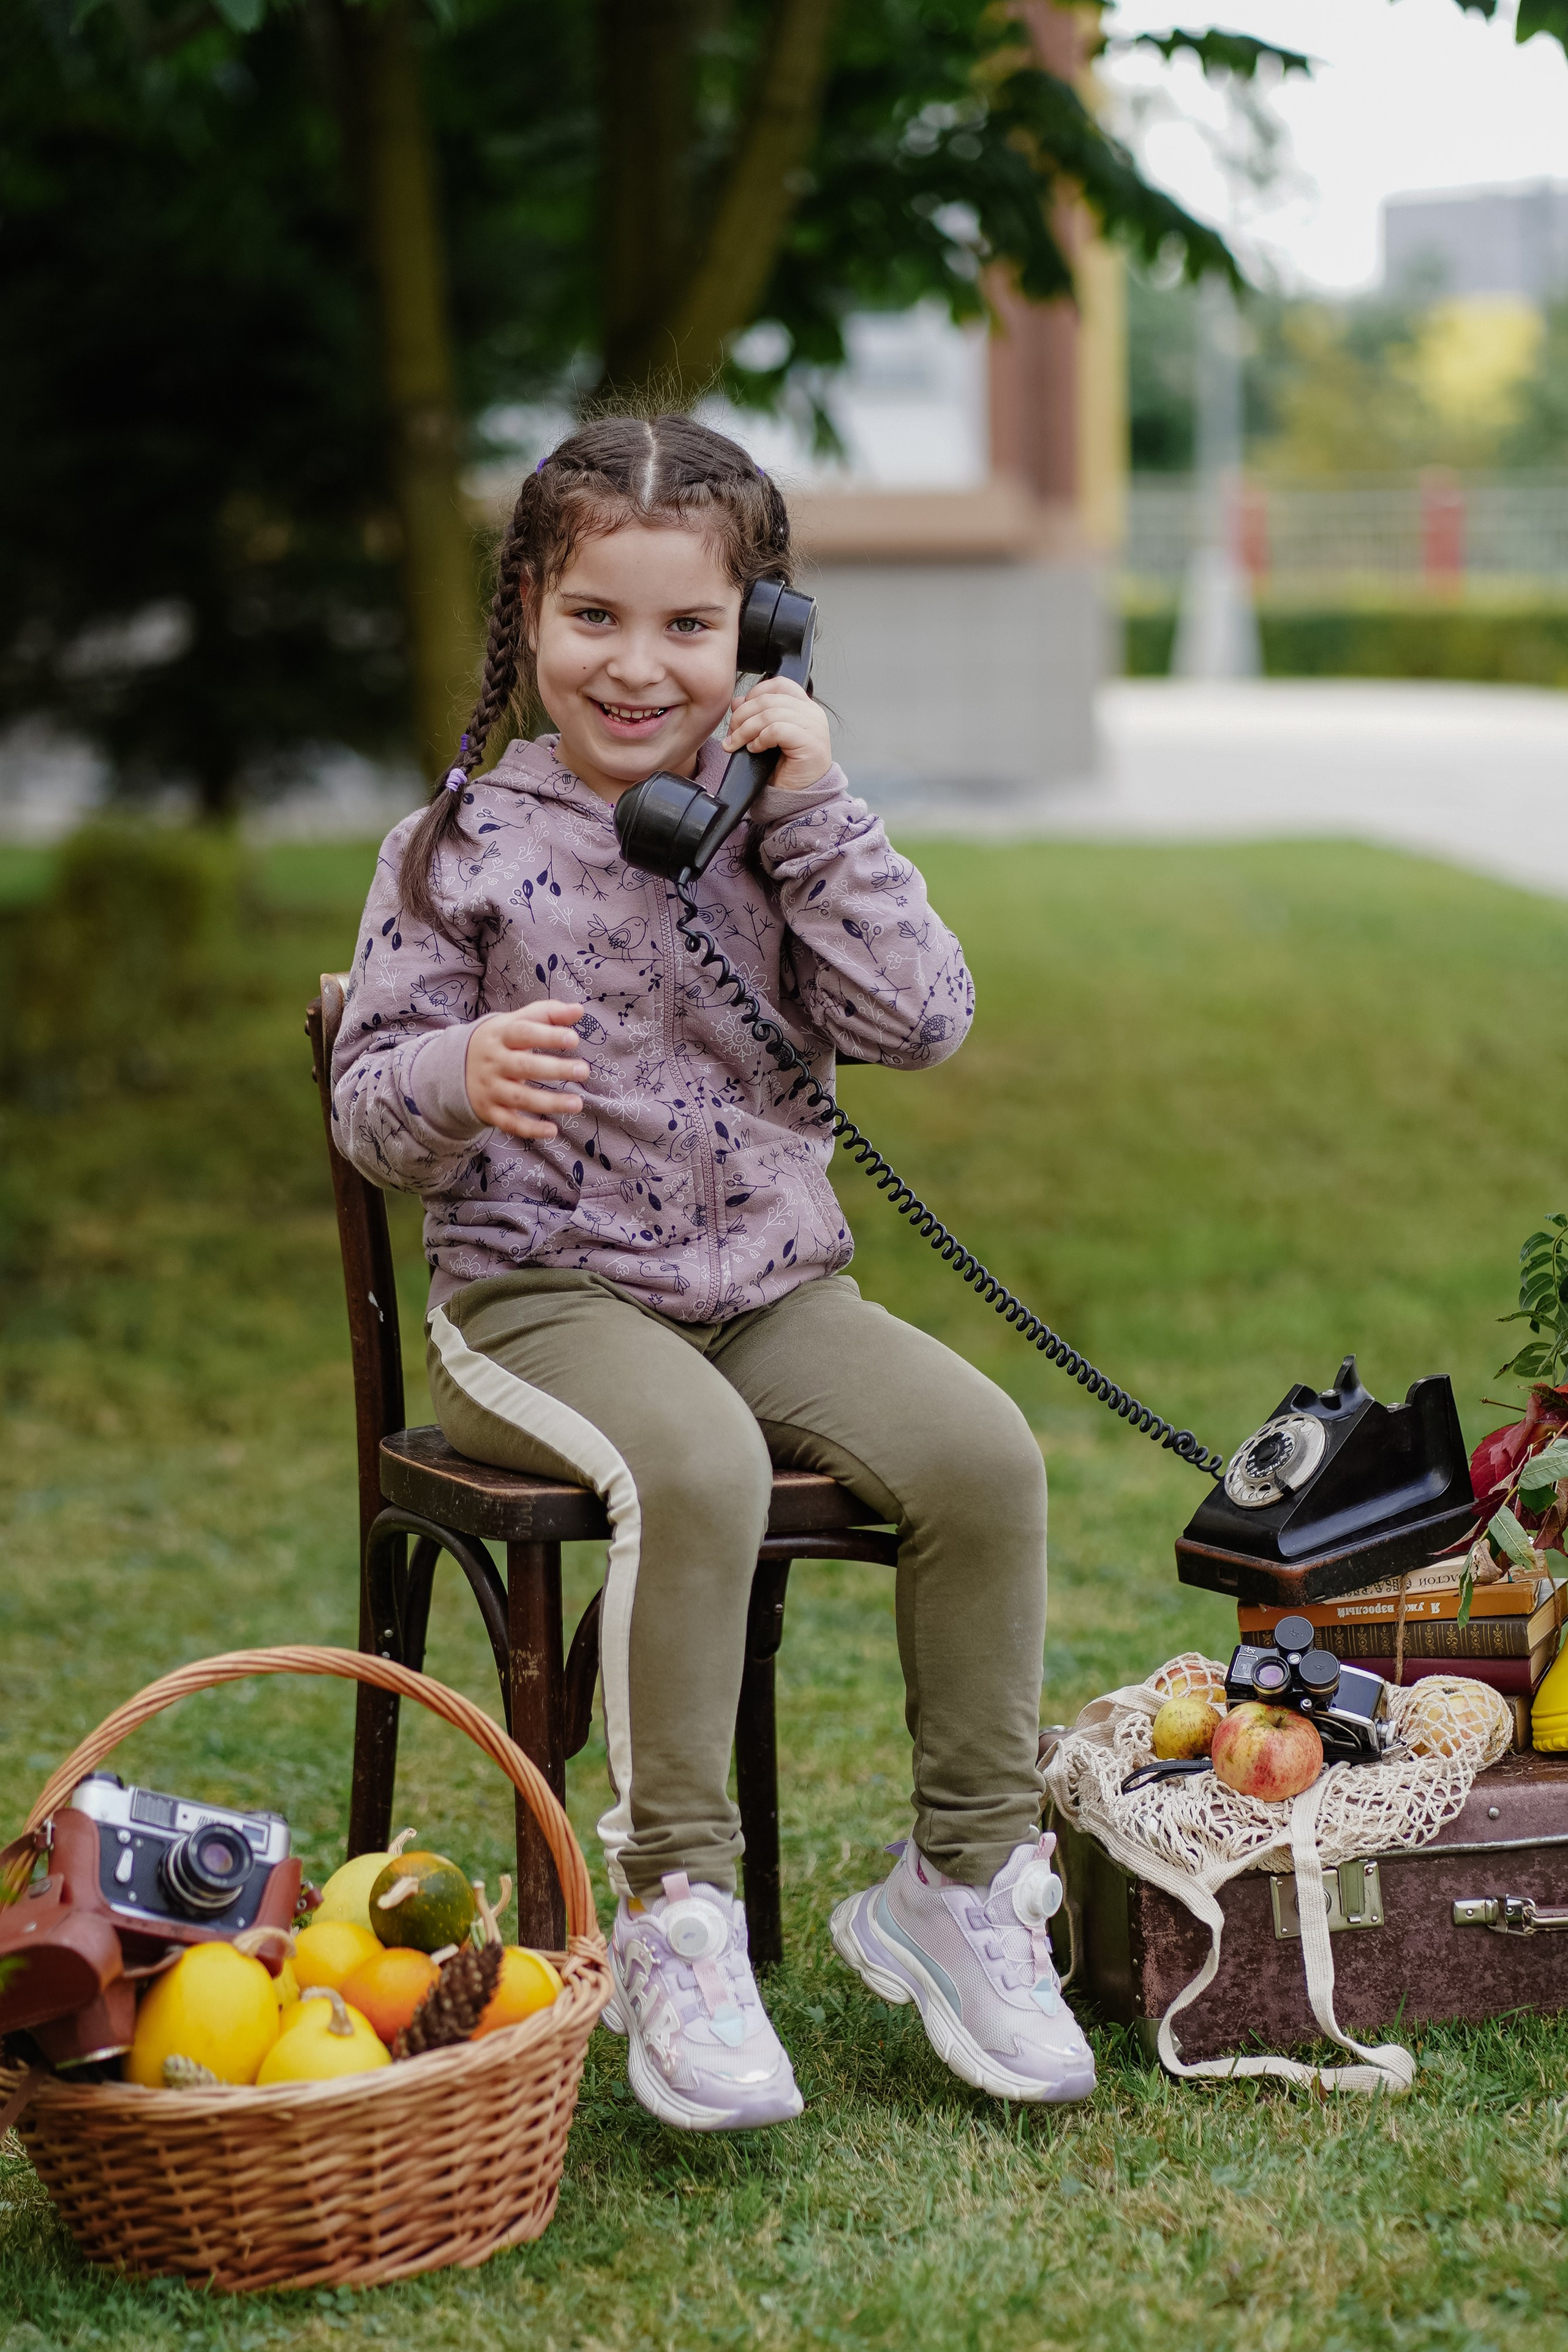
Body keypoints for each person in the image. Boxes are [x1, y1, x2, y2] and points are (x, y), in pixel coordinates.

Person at [332, 415, 1094, 2128]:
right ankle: (683, 1911)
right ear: (527, 610)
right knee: (697, 1467)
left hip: (768, 1291)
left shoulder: (780, 828)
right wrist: (455, 1080)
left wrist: (811, 805)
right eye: (596, 615)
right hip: (537, 1301)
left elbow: (922, 1019)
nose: (636, 664)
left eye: (690, 627)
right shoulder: (453, 847)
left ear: (762, 639)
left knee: (984, 1457)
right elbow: (373, 1113)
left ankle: (962, 1890)